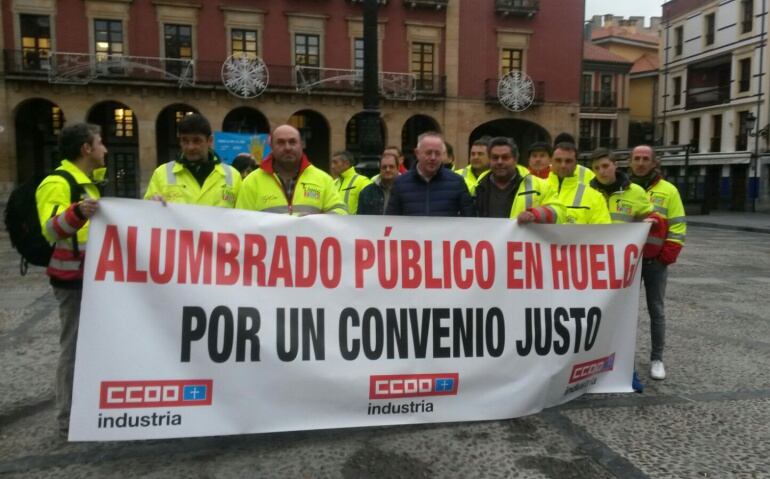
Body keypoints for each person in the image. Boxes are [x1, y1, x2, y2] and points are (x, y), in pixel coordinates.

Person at [35, 123, 105, 438]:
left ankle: (90, 406)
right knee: (73, 347)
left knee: (93, 348)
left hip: (95, 278)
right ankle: (67, 415)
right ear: (86, 149)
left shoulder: (88, 184)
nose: (105, 148)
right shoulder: (57, 182)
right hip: (72, 279)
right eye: (100, 142)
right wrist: (77, 211)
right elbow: (51, 229)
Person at [629, 145, 686, 380]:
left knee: (657, 310)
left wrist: (666, 256)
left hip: (655, 262)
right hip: (627, 263)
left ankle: (657, 359)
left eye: (645, 159)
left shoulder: (669, 191)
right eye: (636, 159)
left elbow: (678, 225)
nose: (640, 163)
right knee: (622, 312)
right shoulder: (625, 189)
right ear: (630, 162)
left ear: (654, 163)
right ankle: (622, 358)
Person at [236, 125, 347, 215]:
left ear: (301, 145)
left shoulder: (323, 179)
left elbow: (341, 212)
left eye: (292, 142)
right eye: (281, 142)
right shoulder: (252, 182)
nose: (287, 147)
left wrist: (317, 220)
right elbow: (241, 221)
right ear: (271, 146)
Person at [145, 114, 241, 207]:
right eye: (185, 140)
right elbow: (147, 216)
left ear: (209, 141)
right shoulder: (161, 174)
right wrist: (152, 206)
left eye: (197, 141)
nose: (190, 147)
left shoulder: (233, 176)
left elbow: (242, 218)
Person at [475, 136, 564, 223]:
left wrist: (536, 214)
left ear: (515, 159)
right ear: (489, 159)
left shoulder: (540, 186)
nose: (500, 162)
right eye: (495, 158)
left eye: (505, 157)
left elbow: (559, 212)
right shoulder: (477, 186)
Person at [386, 132, 475, 216]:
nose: (433, 158)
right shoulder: (400, 183)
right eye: (428, 153)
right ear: (417, 153)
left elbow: (469, 219)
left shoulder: (457, 182)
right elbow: (391, 220)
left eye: (437, 153)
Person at [547, 142, 610, 224]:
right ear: (551, 161)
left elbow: (602, 232)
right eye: (558, 160)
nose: (563, 165)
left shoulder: (595, 197)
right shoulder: (537, 190)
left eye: (568, 161)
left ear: (576, 163)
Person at [331, 150, 371, 214]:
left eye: (335, 163)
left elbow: (370, 209)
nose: (332, 166)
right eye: (332, 163)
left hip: (354, 223)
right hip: (334, 223)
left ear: (346, 164)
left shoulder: (363, 181)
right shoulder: (333, 183)